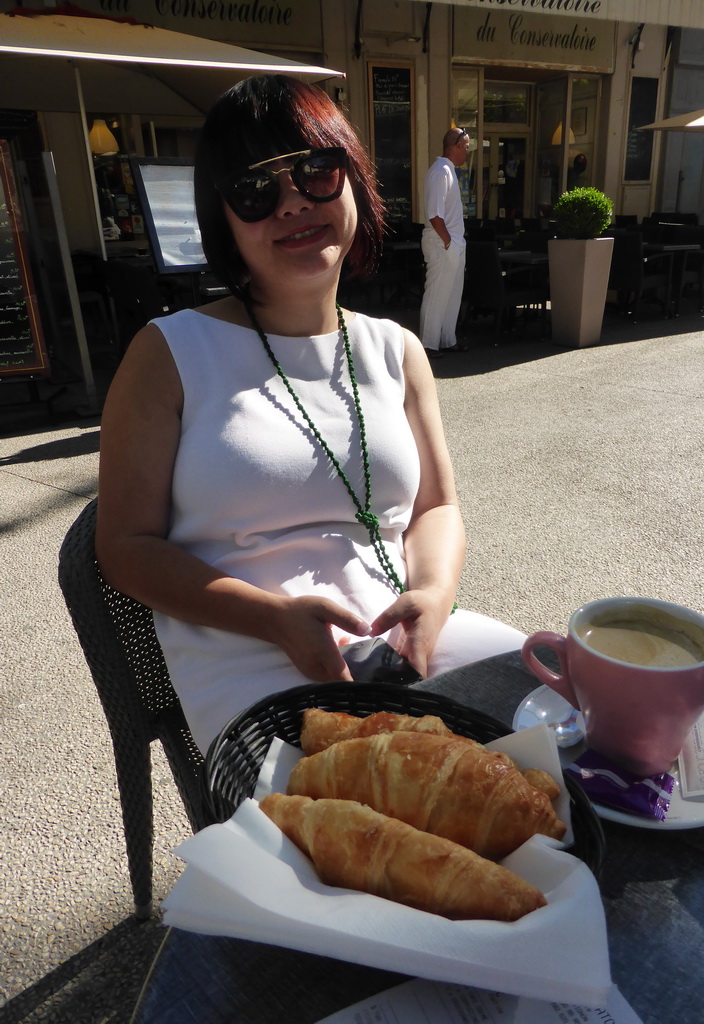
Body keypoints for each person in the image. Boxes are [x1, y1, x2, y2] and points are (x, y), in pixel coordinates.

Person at [95, 76, 525, 755]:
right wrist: (273, 619)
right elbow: (124, 547)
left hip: (399, 642)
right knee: (389, 829)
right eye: (255, 190)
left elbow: (437, 506)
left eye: (316, 171)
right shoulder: (169, 353)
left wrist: (435, 595)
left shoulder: (397, 349)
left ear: (352, 179)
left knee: (574, 718)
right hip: (250, 664)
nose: (293, 202)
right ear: (223, 219)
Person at [419, 127, 471, 360]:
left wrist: (454, 244)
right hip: (442, 242)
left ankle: (447, 340)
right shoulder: (440, 172)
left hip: (452, 243)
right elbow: (434, 214)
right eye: (467, 147)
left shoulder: (447, 171)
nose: (467, 152)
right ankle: (428, 344)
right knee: (437, 292)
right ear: (457, 146)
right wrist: (449, 243)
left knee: (452, 294)